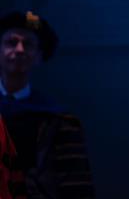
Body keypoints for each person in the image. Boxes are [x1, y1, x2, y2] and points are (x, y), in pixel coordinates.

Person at [0, 11, 95, 198]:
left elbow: (76, 186)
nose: (19, 49)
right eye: (11, 42)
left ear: (38, 56)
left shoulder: (58, 121)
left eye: (27, 44)